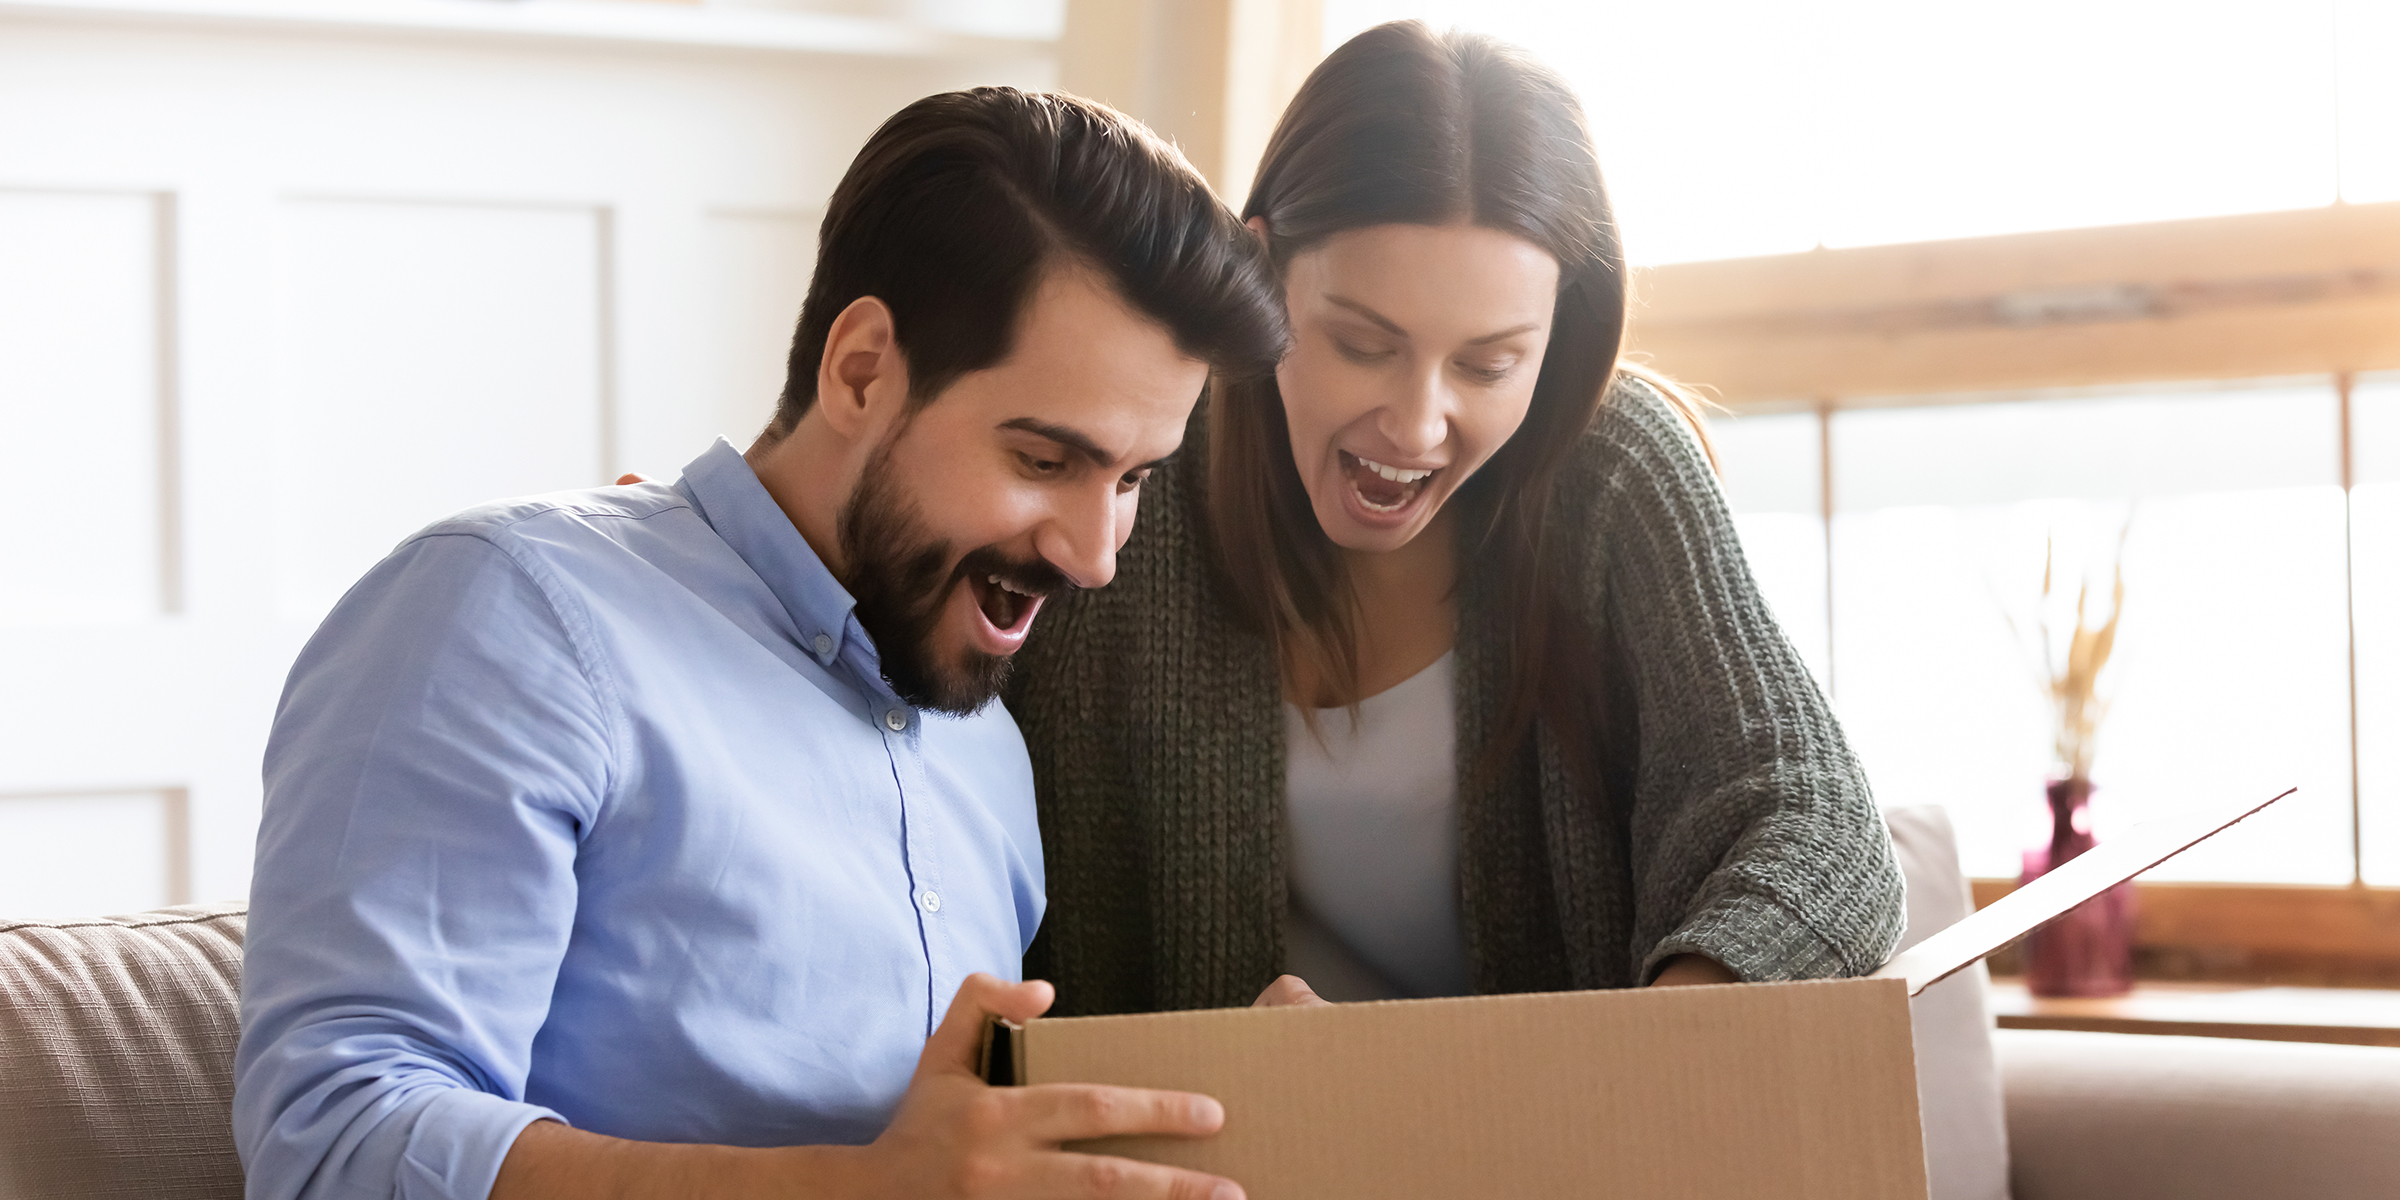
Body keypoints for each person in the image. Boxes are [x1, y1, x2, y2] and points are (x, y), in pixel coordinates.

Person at [235, 88, 1283, 1200]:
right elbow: (334, 1143)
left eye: (1131, 480)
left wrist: (1241, 1103)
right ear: (863, 369)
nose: (1095, 555)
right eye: (1043, 461)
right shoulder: (509, 612)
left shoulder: (984, 749)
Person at [1008, 23, 1906, 1015]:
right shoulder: (1136, 468)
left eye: (1487, 365)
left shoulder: (1611, 471)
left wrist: (1671, 1047)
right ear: (1261, 271)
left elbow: (1816, 821)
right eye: (1362, 343)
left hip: (1562, 1151)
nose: (1417, 422)